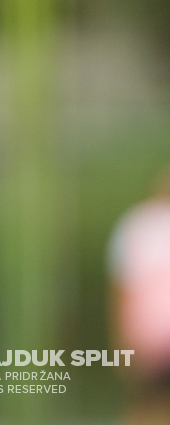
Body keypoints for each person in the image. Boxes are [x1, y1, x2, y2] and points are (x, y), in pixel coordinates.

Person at [109, 168, 170, 425]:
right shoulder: (137, 225)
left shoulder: (134, 224)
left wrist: (120, 342)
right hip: (153, 333)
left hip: (147, 336)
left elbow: (122, 288)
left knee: (145, 405)